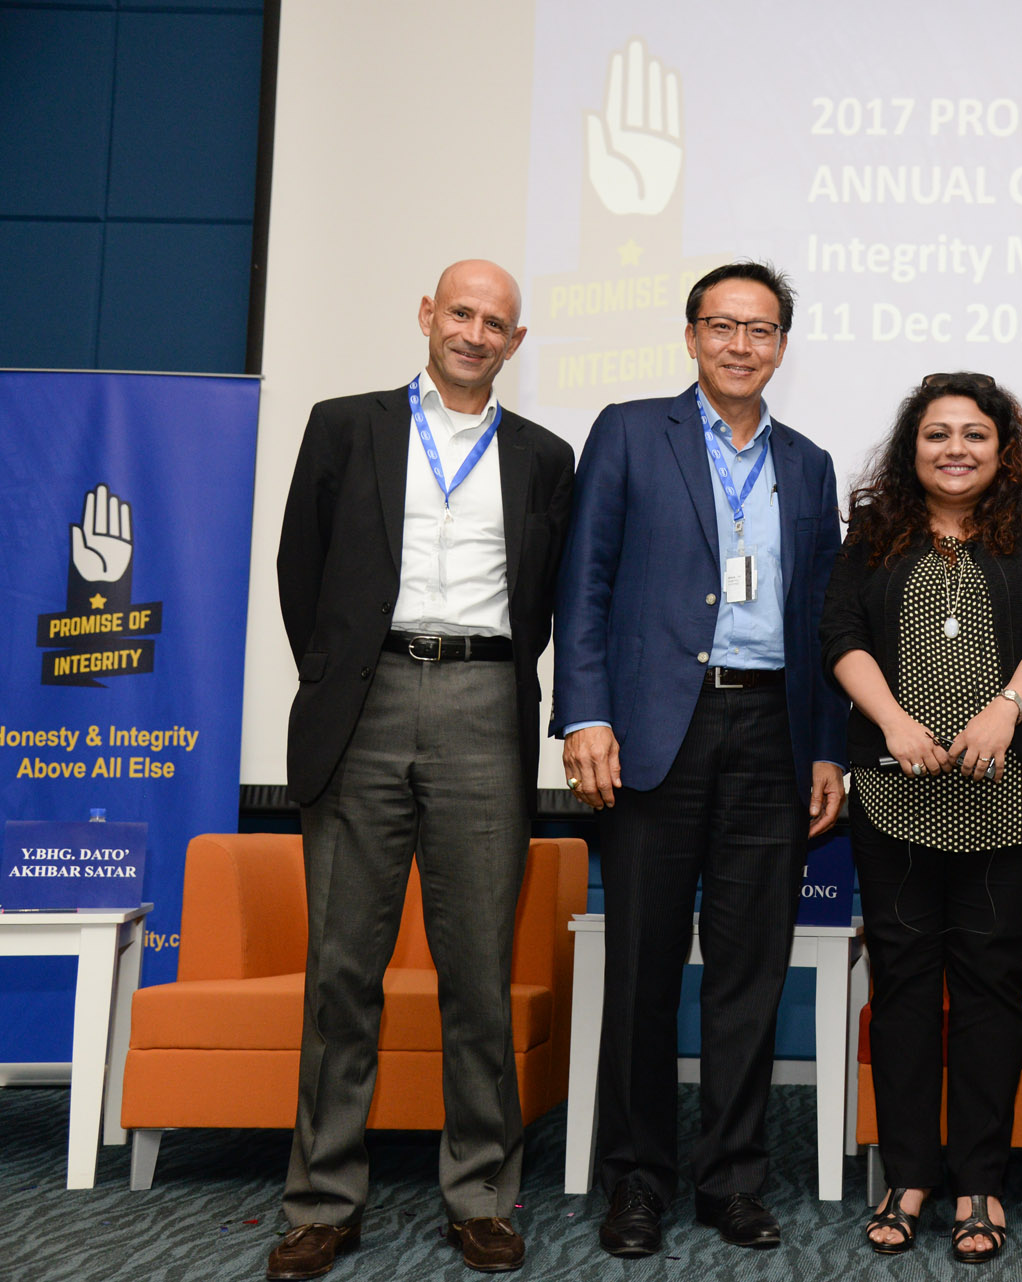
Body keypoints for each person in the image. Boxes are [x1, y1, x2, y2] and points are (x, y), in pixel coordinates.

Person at [271, 260, 574, 1279]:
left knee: (478, 968)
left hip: (487, 703)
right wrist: (344, 674)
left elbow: (553, 600)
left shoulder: (544, 457)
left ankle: (481, 1193)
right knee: (342, 969)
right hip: (368, 698)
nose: (475, 333)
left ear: (515, 344)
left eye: (496, 322)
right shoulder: (343, 423)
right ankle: (321, 1202)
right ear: (425, 316)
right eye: (461, 313)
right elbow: (298, 570)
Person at [553, 261, 847, 1258]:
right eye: (721, 326)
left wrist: (827, 749)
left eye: (760, 330)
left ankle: (731, 1177)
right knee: (639, 965)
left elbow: (820, 618)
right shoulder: (632, 431)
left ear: (781, 348)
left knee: (749, 972)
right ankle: (638, 1180)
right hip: (651, 734)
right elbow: (582, 584)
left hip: (771, 732)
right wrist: (583, 715)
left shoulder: (806, 464)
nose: (740, 344)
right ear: (690, 337)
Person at [819, 373, 1022, 1263]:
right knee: (900, 991)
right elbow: (841, 635)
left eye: (976, 434)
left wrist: (1008, 707)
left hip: (1010, 797)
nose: (956, 449)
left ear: (1004, 448)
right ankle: (908, 1175)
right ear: (912, 447)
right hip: (896, 796)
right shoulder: (874, 528)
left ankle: (980, 1181)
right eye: (938, 434)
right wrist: (891, 720)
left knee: (988, 991)